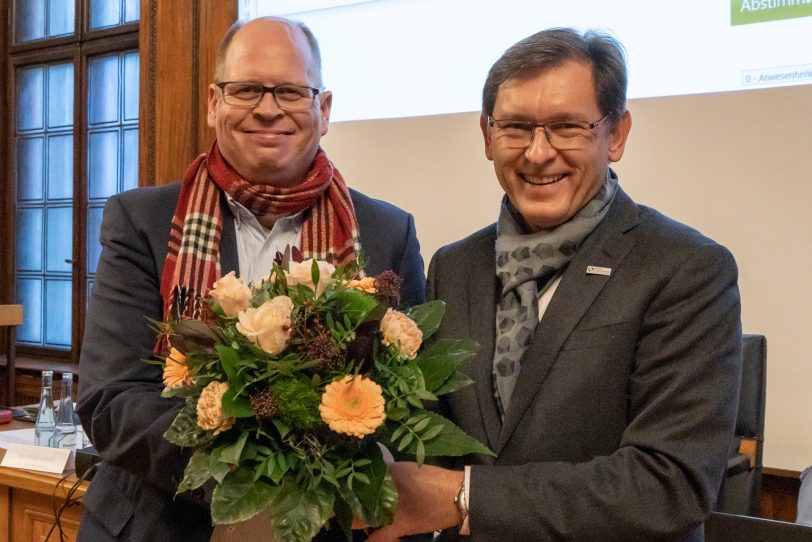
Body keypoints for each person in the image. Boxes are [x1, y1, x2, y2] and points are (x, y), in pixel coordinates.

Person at [367, 28, 742, 542]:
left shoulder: (687, 268)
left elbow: (669, 484)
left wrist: (466, 498)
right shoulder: (455, 266)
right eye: (516, 127)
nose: (538, 153)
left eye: (567, 126)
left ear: (617, 134)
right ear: (486, 135)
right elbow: (430, 442)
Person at [76, 16, 424, 541]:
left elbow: (413, 398)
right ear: (215, 103)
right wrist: (260, 479)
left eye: (289, 90)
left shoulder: (386, 231)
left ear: (322, 109)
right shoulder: (142, 221)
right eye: (246, 90)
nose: (267, 108)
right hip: (163, 524)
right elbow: (112, 400)